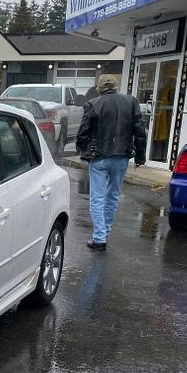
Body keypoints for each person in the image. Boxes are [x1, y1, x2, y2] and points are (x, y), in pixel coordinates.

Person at [76, 74, 147, 251]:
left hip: (99, 157)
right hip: (121, 156)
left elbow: (83, 132)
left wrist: (83, 150)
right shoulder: (131, 102)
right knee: (113, 196)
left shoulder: (93, 104)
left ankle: (99, 238)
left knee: (97, 198)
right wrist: (140, 156)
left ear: (99, 88)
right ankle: (104, 233)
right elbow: (140, 131)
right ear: (116, 87)